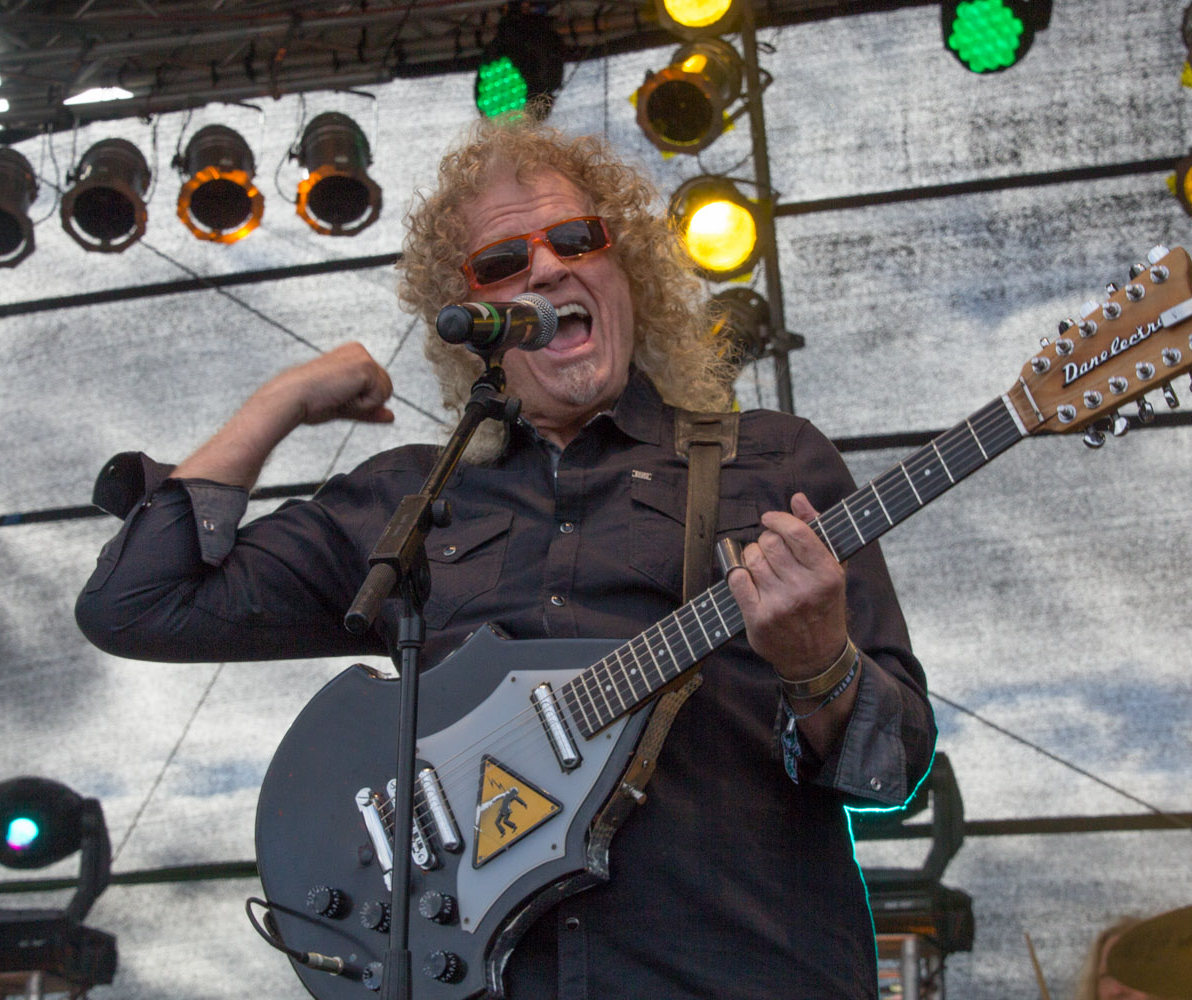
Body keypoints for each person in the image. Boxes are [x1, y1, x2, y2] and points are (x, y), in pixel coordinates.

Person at [75, 116, 935, 999]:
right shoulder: (410, 496)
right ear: (472, 325)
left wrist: (820, 667)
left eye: (576, 239)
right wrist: (283, 400)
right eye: (502, 262)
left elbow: (897, 767)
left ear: (628, 272)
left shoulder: (773, 460)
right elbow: (134, 603)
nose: (548, 269)